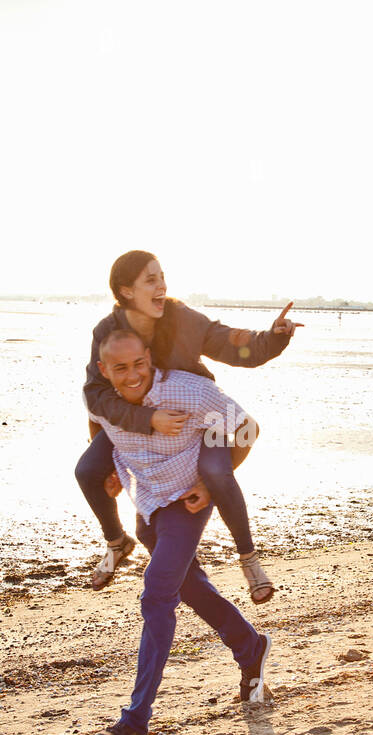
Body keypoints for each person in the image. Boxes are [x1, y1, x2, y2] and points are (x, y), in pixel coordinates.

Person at [77, 250, 299, 603]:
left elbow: (231, 342)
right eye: (150, 280)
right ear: (126, 291)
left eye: (162, 277)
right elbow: (96, 394)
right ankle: (117, 541)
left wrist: (274, 337)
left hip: (194, 415)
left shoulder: (180, 317)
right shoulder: (108, 331)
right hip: (139, 419)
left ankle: (249, 561)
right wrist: (121, 451)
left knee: (214, 469)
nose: (162, 285)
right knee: (88, 469)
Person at [89, 329, 273, 735]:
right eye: (120, 368)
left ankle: (135, 723)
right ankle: (250, 646)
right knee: (190, 588)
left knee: (156, 596)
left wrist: (214, 484)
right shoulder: (101, 398)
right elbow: (98, 428)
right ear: (104, 371)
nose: (132, 375)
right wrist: (108, 473)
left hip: (187, 505)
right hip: (148, 504)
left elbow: (247, 429)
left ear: (150, 357)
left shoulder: (188, 391)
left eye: (139, 364)